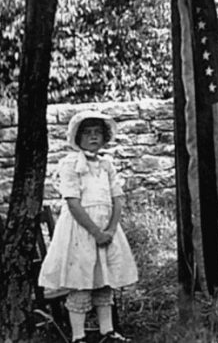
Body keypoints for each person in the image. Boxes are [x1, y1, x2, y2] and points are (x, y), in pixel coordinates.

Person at [39, 110, 138, 343]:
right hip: (81, 230)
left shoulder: (106, 165)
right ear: (77, 138)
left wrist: (111, 230)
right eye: (87, 133)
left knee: (104, 279)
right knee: (81, 280)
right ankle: (78, 336)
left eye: (97, 133)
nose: (93, 137)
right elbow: (73, 202)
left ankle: (107, 331)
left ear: (104, 138)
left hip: (106, 229)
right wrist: (94, 231)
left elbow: (117, 198)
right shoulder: (71, 164)